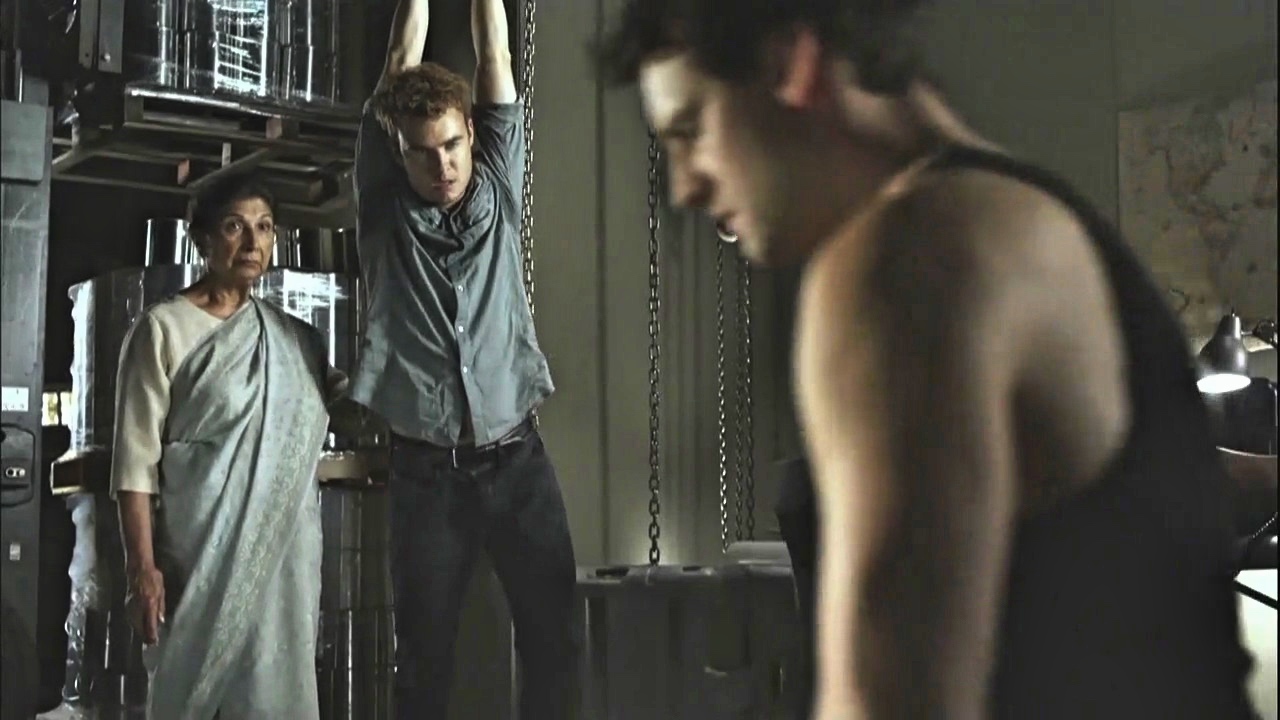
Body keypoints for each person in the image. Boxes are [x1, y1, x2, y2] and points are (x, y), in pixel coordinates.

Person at [596, 2, 1261, 718]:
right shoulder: (1039, 221)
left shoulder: (911, 257)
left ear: (792, 62)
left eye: (691, 130)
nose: (685, 187)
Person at [350, 0, 577, 717]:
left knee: (555, 643)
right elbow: (399, 59)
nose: (442, 165)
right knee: (423, 664)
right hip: (427, 474)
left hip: (517, 459)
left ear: (472, 133)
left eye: (451, 144)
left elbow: (495, 56)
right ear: (398, 150)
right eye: (422, 151)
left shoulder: (499, 177)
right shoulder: (383, 204)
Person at [111, 173, 344, 719]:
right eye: (235, 227)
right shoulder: (162, 330)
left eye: (264, 228)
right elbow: (135, 465)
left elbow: (340, 407)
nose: (252, 242)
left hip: (281, 566)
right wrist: (141, 569)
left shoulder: (296, 341)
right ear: (202, 240)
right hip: (198, 558)